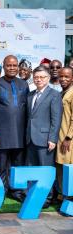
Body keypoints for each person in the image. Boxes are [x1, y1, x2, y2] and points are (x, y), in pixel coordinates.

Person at [0, 55, 29, 202]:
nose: (12, 68)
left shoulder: (24, 85)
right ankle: (1, 192)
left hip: (20, 134)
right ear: (4, 67)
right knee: (1, 166)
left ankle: (17, 192)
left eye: (14, 65)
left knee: (18, 165)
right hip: (1, 134)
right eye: (9, 65)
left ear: (18, 67)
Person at [26, 66, 62, 208]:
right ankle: (33, 196)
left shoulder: (54, 94)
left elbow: (56, 119)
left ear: (47, 78)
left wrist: (52, 138)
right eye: (36, 77)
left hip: (45, 139)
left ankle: (46, 199)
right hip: (30, 138)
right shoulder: (30, 95)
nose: (39, 80)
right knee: (32, 169)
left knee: (45, 169)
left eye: (42, 77)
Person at [56, 67, 73, 208]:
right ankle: (62, 198)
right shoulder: (62, 92)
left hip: (68, 141)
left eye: (67, 76)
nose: (63, 79)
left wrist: (69, 137)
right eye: (61, 76)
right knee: (61, 168)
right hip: (60, 138)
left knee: (69, 169)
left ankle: (69, 201)